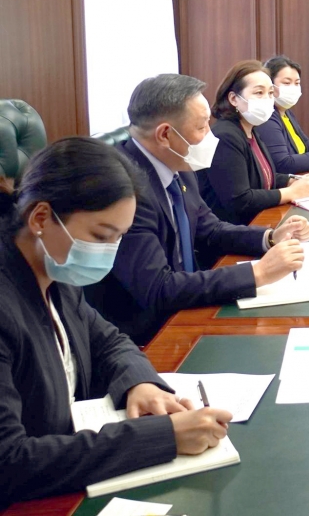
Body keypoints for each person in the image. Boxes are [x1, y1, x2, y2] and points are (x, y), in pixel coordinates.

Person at [0, 138, 232, 507]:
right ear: (41, 218)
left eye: (118, 238)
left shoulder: (55, 271)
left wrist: (140, 383)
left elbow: (109, 341)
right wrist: (164, 437)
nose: (108, 251)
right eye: (101, 236)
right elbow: (9, 463)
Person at [84, 74, 309, 346]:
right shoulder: (124, 190)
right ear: (165, 134)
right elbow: (158, 288)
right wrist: (258, 273)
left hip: (189, 305)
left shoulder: (177, 163)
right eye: (202, 126)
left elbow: (210, 229)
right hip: (150, 335)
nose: (210, 136)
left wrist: (269, 237)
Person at [199, 61, 309, 226]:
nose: (267, 99)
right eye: (259, 93)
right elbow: (240, 199)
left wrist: (294, 180)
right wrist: (290, 192)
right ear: (234, 98)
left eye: (270, 93)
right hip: (232, 232)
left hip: (255, 225)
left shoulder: (250, 129)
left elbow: (262, 176)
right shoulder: (225, 136)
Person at [256, 55, 309, 174]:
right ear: (270, 85)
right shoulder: (267, 117)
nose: (293, 88)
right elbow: (283, 163)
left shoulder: (286, 112)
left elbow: (305, 142)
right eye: (287, 83)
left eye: (297, 83)